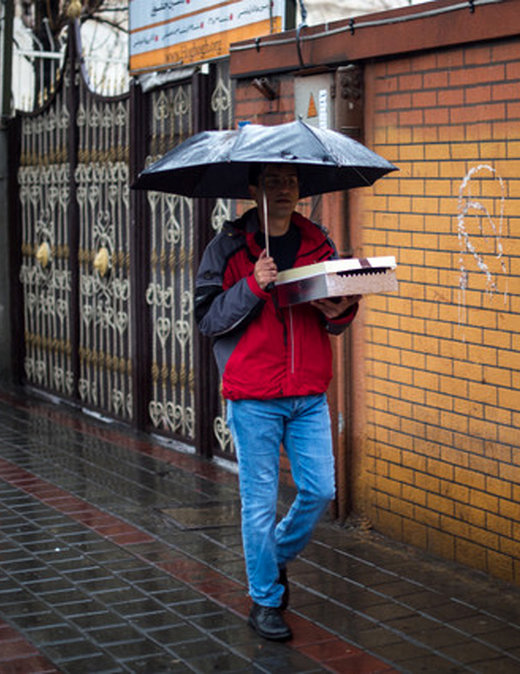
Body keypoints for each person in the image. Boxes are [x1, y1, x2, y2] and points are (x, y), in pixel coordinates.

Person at [193, 163, 360, 641]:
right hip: (254, 396)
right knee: (259, 504)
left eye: (289, 182)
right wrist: (253, 285)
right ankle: (266, 600)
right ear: (253, 190)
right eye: (272, 182)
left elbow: (334, 320)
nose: (284, 190)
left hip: (308, 392)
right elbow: (207, 318)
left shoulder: (318, 242)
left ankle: (272, 556)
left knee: (320, 490)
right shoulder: (226, 249)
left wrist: (342, 308)